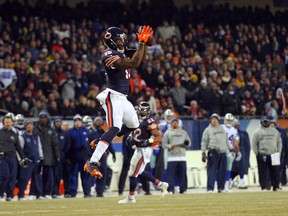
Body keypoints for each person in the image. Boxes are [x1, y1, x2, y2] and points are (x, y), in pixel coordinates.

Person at [84, 25, 154, 178]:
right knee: (115, 128)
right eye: (119, 40)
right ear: (112, 42)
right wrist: (141, 43)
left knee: (134, 125)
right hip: (113, 96)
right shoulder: (108, 54)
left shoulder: (121, 51)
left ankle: (100, 140)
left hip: (123, 98)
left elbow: (141, 56)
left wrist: (147, 41)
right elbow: (134, 64)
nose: (123, 41)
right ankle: (92, 162)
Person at [118, 101, 169, 204]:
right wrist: (129, 138)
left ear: (148, 111)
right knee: (137, 172)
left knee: (133, 174)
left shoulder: (149, 122)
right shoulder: (134, 119)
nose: (141, 112)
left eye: (143, 110)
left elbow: (159, 137)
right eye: (140, 110)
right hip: (137, 150)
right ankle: (160, 184)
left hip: (144, 151)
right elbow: (133, 132)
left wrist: (148, 141)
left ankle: (131, 198)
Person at [0, 113, 28, 201]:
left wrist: (23, 158)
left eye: (9, 122)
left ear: (12, 123)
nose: (7, 123)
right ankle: (1, 194)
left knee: (12, 177)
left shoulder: (14, 134)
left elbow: (18, 148)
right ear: (3, 123)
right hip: (2, 157)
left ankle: (10, 195)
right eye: (6, 122)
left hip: (12, 157)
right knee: (5, 176)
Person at [201, 113, 231, 193]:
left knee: (222, 171)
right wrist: (203, 152)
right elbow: (204, 142)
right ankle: (210, 188)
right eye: (212, 119)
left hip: (223, 152)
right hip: (213, 152)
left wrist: (230, 148)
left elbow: (226, 140)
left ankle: (221, 188)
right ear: (210, 120)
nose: (214, 121)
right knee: (211, 171)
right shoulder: (207, 130)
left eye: (216, 119)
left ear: (218, 120)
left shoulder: (222, 128)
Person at [33, 110, 60, 199]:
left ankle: (47, 193)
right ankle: (38, 193)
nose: (43, 120)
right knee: (37, 177)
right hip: (37, 156)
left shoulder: (51, 130)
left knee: (48, 177)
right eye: (41, 118)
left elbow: (55, 144)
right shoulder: (35, 129)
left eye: (45, 118)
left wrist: (57, 156)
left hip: (49, 156)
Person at [252, 116, 282, 191]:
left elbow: (279, 142)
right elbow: (254, 144)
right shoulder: (257, 132)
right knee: (263, 172)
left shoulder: (275, 131)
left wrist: (278, 152)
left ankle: (276, 186)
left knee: (275, 171)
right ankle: (264, 186)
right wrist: (257, 154)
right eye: (264, 121)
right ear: (261, 122)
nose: (266, 123)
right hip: (263, 154)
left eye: (267, 121)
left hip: (274, 154)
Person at [88, 116, 116, 197]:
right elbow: (88, 146)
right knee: (92, 174)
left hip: (103, 157)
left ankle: (100, 191)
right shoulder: (91, 134)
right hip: (94, 157)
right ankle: (89, 190)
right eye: (97, 121)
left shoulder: (105, 133)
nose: (99, 122)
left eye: (100, 121)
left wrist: (113, 153)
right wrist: (91, 156)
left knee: (102, 174)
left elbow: (109, 144)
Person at [162, 118, 191, 194]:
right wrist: (170, 146)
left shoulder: (184, 132)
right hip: (171, 157)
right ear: (171, 124)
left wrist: (186, 143)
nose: (175, 124)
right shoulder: (167, 133)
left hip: (182, 156)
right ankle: (170, 190)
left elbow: (189, 143)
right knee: (170, 175)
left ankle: (183, 189)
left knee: (183, 174)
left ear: (178, 123)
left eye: (176, 122)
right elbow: (163, 144)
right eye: (173, 122)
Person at [17, 120, 43, 200]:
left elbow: (39, 147)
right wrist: (21, 160)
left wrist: (41, 157)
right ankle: (21, 195)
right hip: (27, 161)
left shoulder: (36, 136)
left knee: (37, 179)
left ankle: (36, 194)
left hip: (36, 161)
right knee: (25, 179)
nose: (29, 126)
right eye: (27, 125)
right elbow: (19, 149)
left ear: (33, 126)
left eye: (30, 124)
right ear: (25, 126)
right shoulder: (22, 136)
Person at [67, 114, 92, 198]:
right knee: (73, 176)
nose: (77, 123)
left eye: (79, 121)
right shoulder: (70, 132)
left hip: (84, 157)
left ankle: (86, 192)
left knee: (85, 176)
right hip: (74, 156)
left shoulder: (86, 131)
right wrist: (68, 157)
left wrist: (89, 156)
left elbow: (89, 145)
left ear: (81, 122)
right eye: (76, 121)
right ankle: (73, 192)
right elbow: (68, 145)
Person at [221, 113, 242, 192]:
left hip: (230, 151)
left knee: (228, 169)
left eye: (230, 121)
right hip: (222, 150)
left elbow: (235, 143)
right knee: (221, 169)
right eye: (228, 120)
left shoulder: (234, 130)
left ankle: (225, 186)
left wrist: (238, 152)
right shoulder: (221, 127)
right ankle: (220, 186)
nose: (229, 122)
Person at [52, 116, 71, 198]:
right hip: (55, 158)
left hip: (64, 158)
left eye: (59, 122)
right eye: (56, 122)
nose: (58, 123)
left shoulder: (64, 133)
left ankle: (67, 192)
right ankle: (56, 192)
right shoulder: (52, 133)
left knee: (66, 176)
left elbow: (68, 144)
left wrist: (65, 154)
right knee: (56, 176)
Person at [231, 119, 251, 189]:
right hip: (233, 153)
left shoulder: (244, 133)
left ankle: (241, 181)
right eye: (236, 125)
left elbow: (247, 145)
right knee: (232, 168)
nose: (238, 126)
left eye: (238, 125)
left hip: (242, 153)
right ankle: (231, 181)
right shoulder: (231, 133)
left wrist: (246, 154)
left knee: (242, 168)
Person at [269, 117, 288, 187]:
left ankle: (283, 181)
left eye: (272, 123)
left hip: (282, 152)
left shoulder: (281, 131)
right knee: (276, 168)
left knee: (282, 167)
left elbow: (285, 141)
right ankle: (276, 182)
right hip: (273, 152)